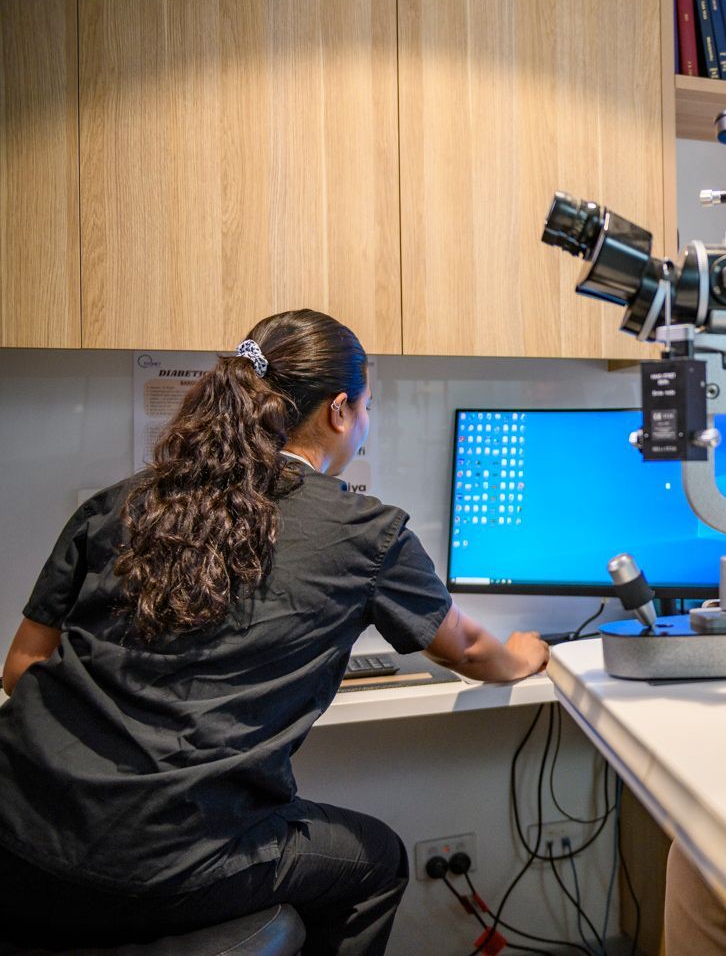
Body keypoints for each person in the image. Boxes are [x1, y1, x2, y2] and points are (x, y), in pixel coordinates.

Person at [0, 310, 550, 954]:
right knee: (376, 862)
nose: (366, 423)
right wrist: (523, 655)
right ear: (341, 410)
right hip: (159, 866)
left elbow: (20, 667)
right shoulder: (365, 532)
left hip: (16, 835)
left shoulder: (120, 500)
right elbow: (471, 650)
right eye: (369, 405)